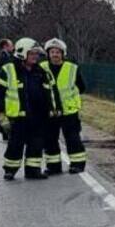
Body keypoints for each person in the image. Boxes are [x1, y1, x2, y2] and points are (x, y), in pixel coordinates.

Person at [0, 37, 54, 180]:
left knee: (36, 145)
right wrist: (1, 116)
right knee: (15, 145)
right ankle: (10, 170)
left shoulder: (40, 71)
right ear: (22, 53)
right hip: (17, 117)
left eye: (36, 54)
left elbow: (47, 93)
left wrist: (49, 111)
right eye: (32, 54)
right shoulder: (8, 70)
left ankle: (33, 171)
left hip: (37, 116)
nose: (35, 57)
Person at [39, 38, 87, 174]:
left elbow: (81, 87)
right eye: (52, 52)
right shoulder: (41, 68)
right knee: (50, 139)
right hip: (50, 111)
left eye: (58, 52)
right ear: (48, 53)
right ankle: (53, 166)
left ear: (63, 53)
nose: (55, 54)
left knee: (72, 138)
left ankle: (77, 164)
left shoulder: (72, 68)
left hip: (68, 110)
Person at [0, 39, 14, 140]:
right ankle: (5, 130)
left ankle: (5, 130)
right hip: (5, 85)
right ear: (5, 46)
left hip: (3, 85)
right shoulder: (4, 57)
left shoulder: (2, 56)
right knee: (6, 110)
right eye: (11, 45)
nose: (13, 47)